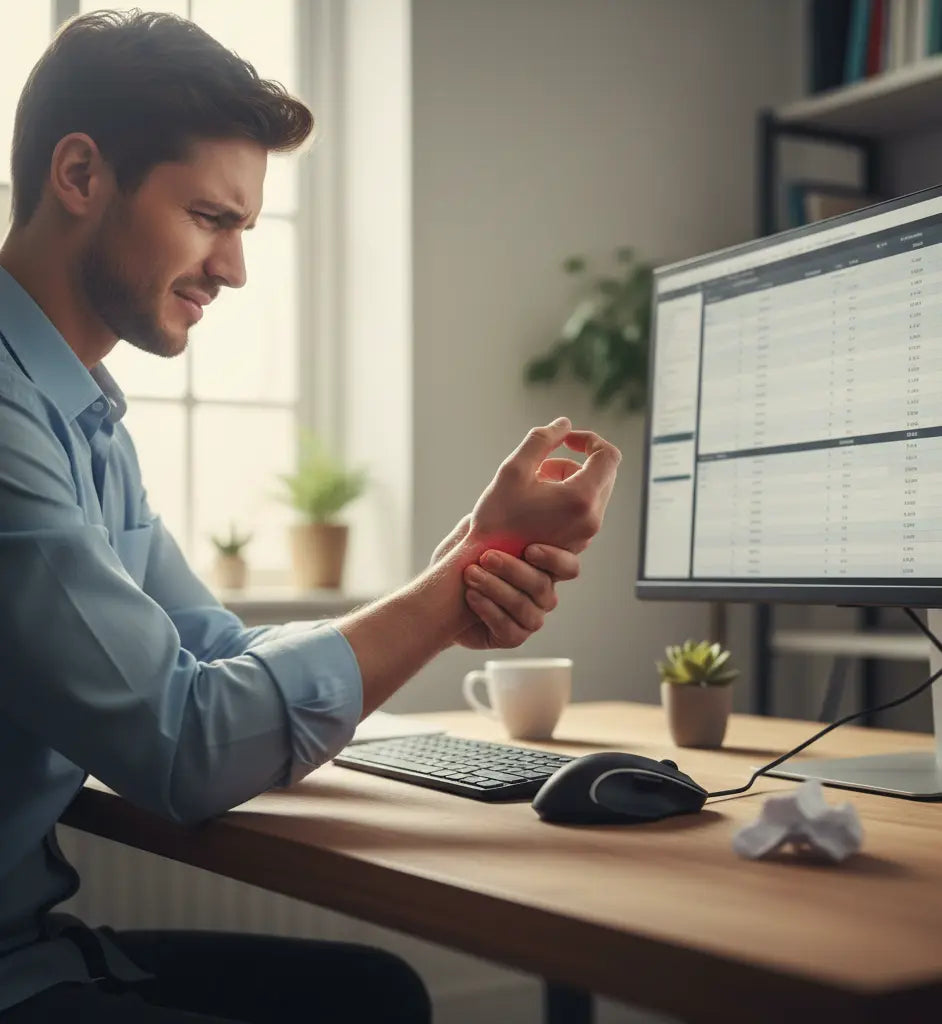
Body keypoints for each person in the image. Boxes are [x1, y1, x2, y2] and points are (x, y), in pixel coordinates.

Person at [0, 10, 621, 1024]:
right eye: (211, 217)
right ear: (80, 175)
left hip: (38, 951)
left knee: (373, 993)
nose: (236, 267)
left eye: (243, 226)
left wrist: (458, 577)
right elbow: (184, 741)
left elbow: (212, 652)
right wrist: (445, 595)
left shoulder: (83, 420)